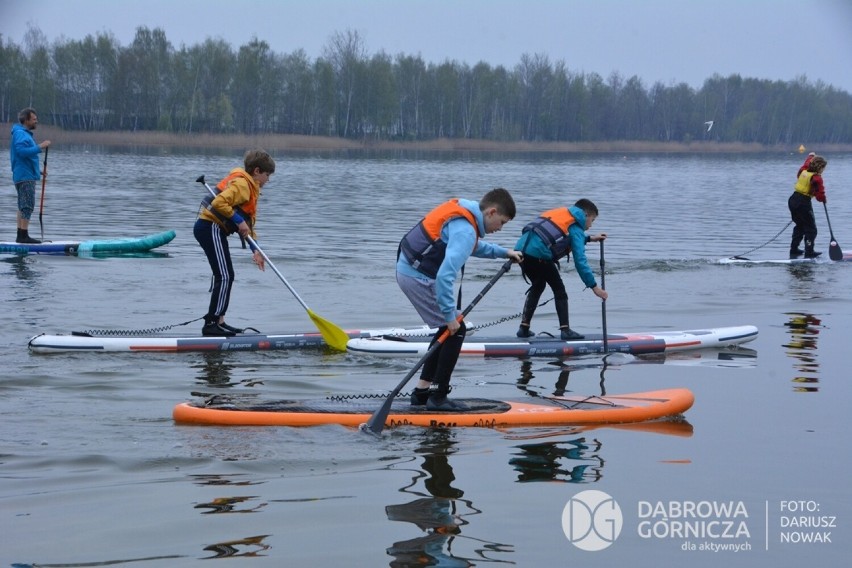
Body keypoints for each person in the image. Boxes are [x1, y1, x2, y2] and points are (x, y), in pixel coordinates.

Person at [397, 188, 523, 411]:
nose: (500, 228)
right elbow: (445, 276)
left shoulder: (466, 214)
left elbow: (473, 246)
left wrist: (504, 252)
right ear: (492, 212)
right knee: (456, 329)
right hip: (416, 277)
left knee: (447, 329)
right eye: (501, 222)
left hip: (409, 269)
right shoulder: (466, 229)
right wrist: (449, 315)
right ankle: (438, 396)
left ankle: (422, 393)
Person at [194, 149, 275, 336]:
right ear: (256, 171)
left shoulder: (250, 188)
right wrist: (238, 221)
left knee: (226, 274)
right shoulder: (243, 185)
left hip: (214, 229)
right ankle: (211, 324)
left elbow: (246, 222)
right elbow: (219, 203)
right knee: (225, 275)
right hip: (209, 227)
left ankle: (219, 321)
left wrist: (256, 249)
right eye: (267, 175)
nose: (268, 181)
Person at [514, 198, 608, 340]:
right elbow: (580, 261)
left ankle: (524, 328)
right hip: (539, 255)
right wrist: (594, 287)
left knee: (538, 285)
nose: (590, 225)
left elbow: (562, 234)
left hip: (520, 251)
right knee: (560, 291)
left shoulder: (562, 213)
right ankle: (565, 330)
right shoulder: (575, 226)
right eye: (592, 220)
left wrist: (590, 239)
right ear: (585, 215)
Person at [9, 108, 51, 243]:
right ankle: (23, 236)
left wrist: (38, 171)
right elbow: (21, 152)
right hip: (25, 177)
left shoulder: (22, 133)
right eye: (34, 119)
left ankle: (20, 235)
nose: (36, 121)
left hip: (24, 174)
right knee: (27, 205)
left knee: (22, 205)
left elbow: (24, 159)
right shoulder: (21, 134)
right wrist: (40, 147)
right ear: (26, 120)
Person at [789, 154, 827, 258]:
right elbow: (820, 195)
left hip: (793, 200)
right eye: (823, 169)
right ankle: (809, 252)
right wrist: (823, 199)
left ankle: (794, 249)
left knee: (800, 226)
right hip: (803, 203)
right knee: (811, 229)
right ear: (820, 168)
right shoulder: (816, 178)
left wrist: (810, 156)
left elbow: (806, 163)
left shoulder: (803, 171)